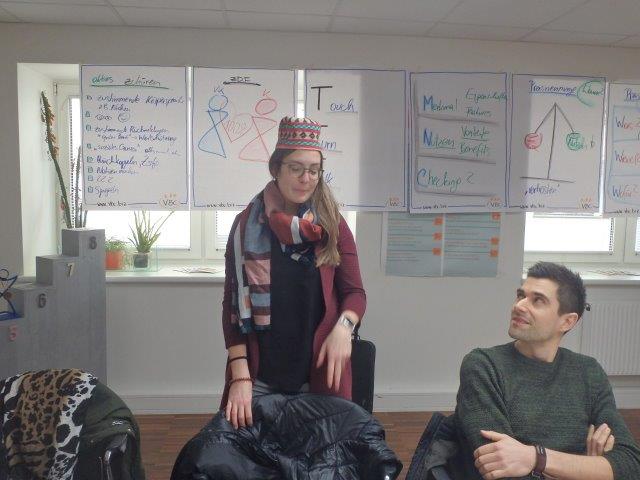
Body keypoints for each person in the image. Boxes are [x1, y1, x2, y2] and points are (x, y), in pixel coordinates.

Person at [219, 116, 366, 430]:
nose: (306, 178)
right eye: (296, 168)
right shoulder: (246, 225)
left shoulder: (332, 224)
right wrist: (240, 376)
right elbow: (231, 308)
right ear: (276, 168)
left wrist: (344, 328)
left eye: (314, 170)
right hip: (259, 377)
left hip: (318, 377)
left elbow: (355, 293)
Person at [453, 261, 640, 479]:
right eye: (520, 295)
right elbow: (498, 466)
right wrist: (588, 468)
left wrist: (535, 457)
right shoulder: (483, 366)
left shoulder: (589, 372)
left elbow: (630, 464)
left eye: (538, 300)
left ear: (567, 321)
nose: (519, 306)